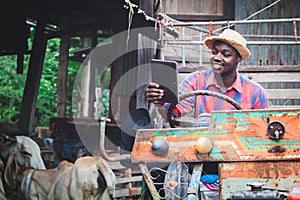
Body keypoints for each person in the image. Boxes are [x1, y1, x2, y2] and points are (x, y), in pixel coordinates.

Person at [146, 28, 269, 119]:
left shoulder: (256, 92)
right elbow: (174, 111)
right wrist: (161, 99)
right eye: (214, 52)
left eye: (226, 54)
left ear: (238, 59)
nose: (217, 57)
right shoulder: (196, 81)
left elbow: (262, 127)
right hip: (203, 145)